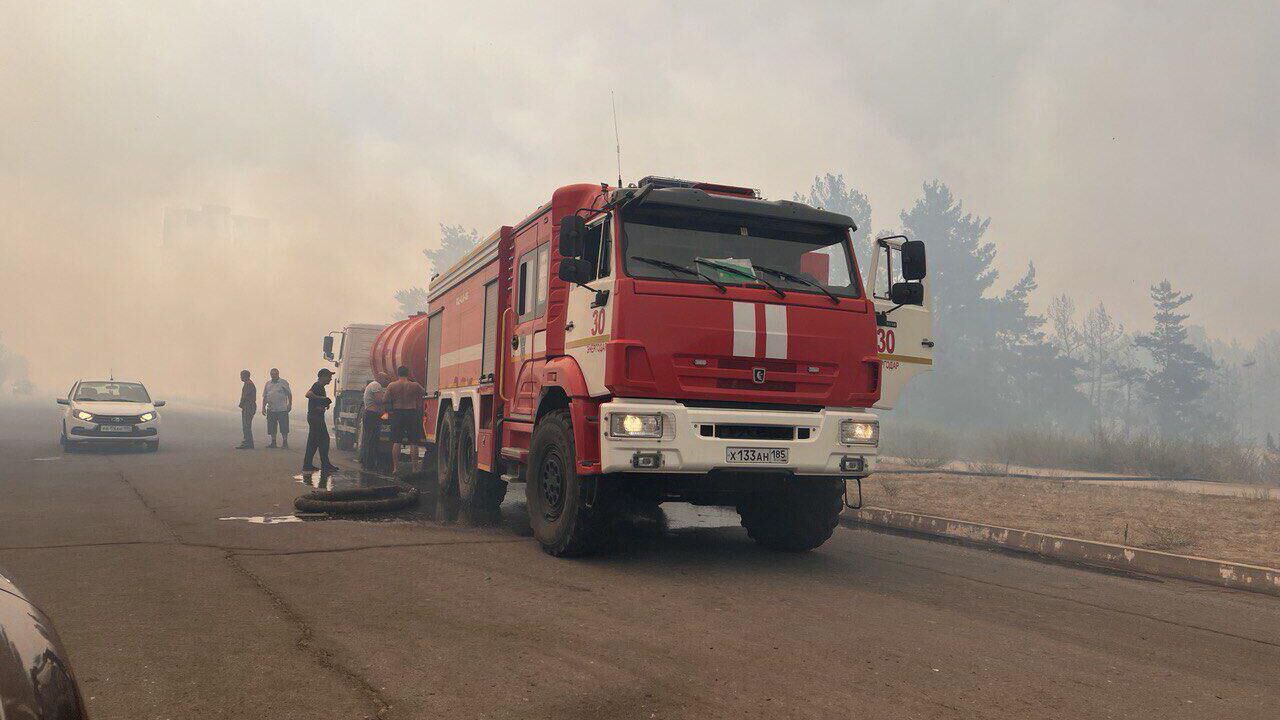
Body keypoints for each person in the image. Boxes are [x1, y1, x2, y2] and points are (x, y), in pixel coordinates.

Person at [384, 365, 426, 474]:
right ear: (408, 373)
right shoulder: (415, 385)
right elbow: (424, 393)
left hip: (397, 413)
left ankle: (396, 468)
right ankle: (415, 468)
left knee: (396, 441)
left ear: (398, 373)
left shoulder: (392, 385)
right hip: (411, 413)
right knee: (413, 442)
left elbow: (385, 399)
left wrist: (390, 410)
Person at [302, 368, 338, 473]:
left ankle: (308, 465)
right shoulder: (317, 385)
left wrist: (324, 404)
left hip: (315, 417)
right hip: (315, 418)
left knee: (313, 443)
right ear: (323, 376)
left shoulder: (320, 387)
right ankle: (325, 465)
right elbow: (308, 394)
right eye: (329, 377)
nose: (331, 379)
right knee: (324, 440)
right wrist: (322, 399)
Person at [359, 372, 388, 469]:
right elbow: (379, 400)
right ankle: (369, 463)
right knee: (372, 439)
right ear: (380, 378)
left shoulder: (371, 385)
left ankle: (365, 461)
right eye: (385, 379)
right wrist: (387, 398)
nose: (386, 381)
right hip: (372, 415)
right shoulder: (376, 385)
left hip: (370, 414)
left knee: (368, 438)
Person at [261, 368, 293, 449]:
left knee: (284, 426)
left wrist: (289, 405)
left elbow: (289, 394)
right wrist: (263, 407)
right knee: (271, 426)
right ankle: (273, 442)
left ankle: (285, 442)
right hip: (271, 408)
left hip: (282, 408)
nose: (273, 376)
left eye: (275, 374)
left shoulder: (283, 382)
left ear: (278, 374)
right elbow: (265, 396)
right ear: (270, 374)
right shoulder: (268, 384)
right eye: (272, 374)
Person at [236, 370, 256, 449]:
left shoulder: (248, 384)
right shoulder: (248, 383)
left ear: (245, 376)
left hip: (249, 406)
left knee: (246, 425)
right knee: (246, 425)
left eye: (241, 375)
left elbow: (245, 396)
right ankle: (248, 442)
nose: (240, 377)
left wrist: (241, 404)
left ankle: (248, 443)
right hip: (249, 406)